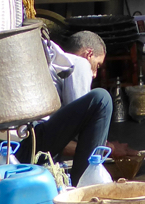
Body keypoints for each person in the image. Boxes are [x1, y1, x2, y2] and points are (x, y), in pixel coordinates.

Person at [19, 31, 114, 181]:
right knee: (101, 99)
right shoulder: (77, 62)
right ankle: (86, 183)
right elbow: (84, 123)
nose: (95, 74)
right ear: (88, 54)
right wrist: (110, 148)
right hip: (29, 141)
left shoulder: (56, 62)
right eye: (97, 65)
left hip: (17, 145)